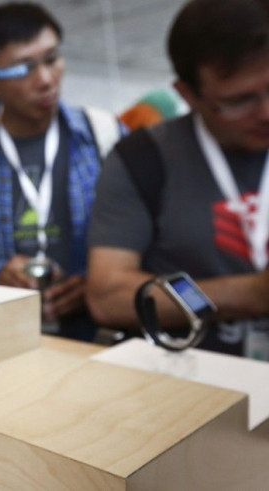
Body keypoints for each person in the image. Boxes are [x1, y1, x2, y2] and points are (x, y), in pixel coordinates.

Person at [0, 2, 123, 341]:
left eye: (51, 59)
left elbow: (148, 233)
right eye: (23, 69)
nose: (45, 79)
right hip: (6, 338)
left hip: (101, 332)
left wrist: (98, 280)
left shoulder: (105, 136)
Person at [87, 0, 269, 360]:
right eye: (238, 101)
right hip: (196, 382)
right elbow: (108, 296)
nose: (266, 112)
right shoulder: (141, 159)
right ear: (188, 94)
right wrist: (249, 294)